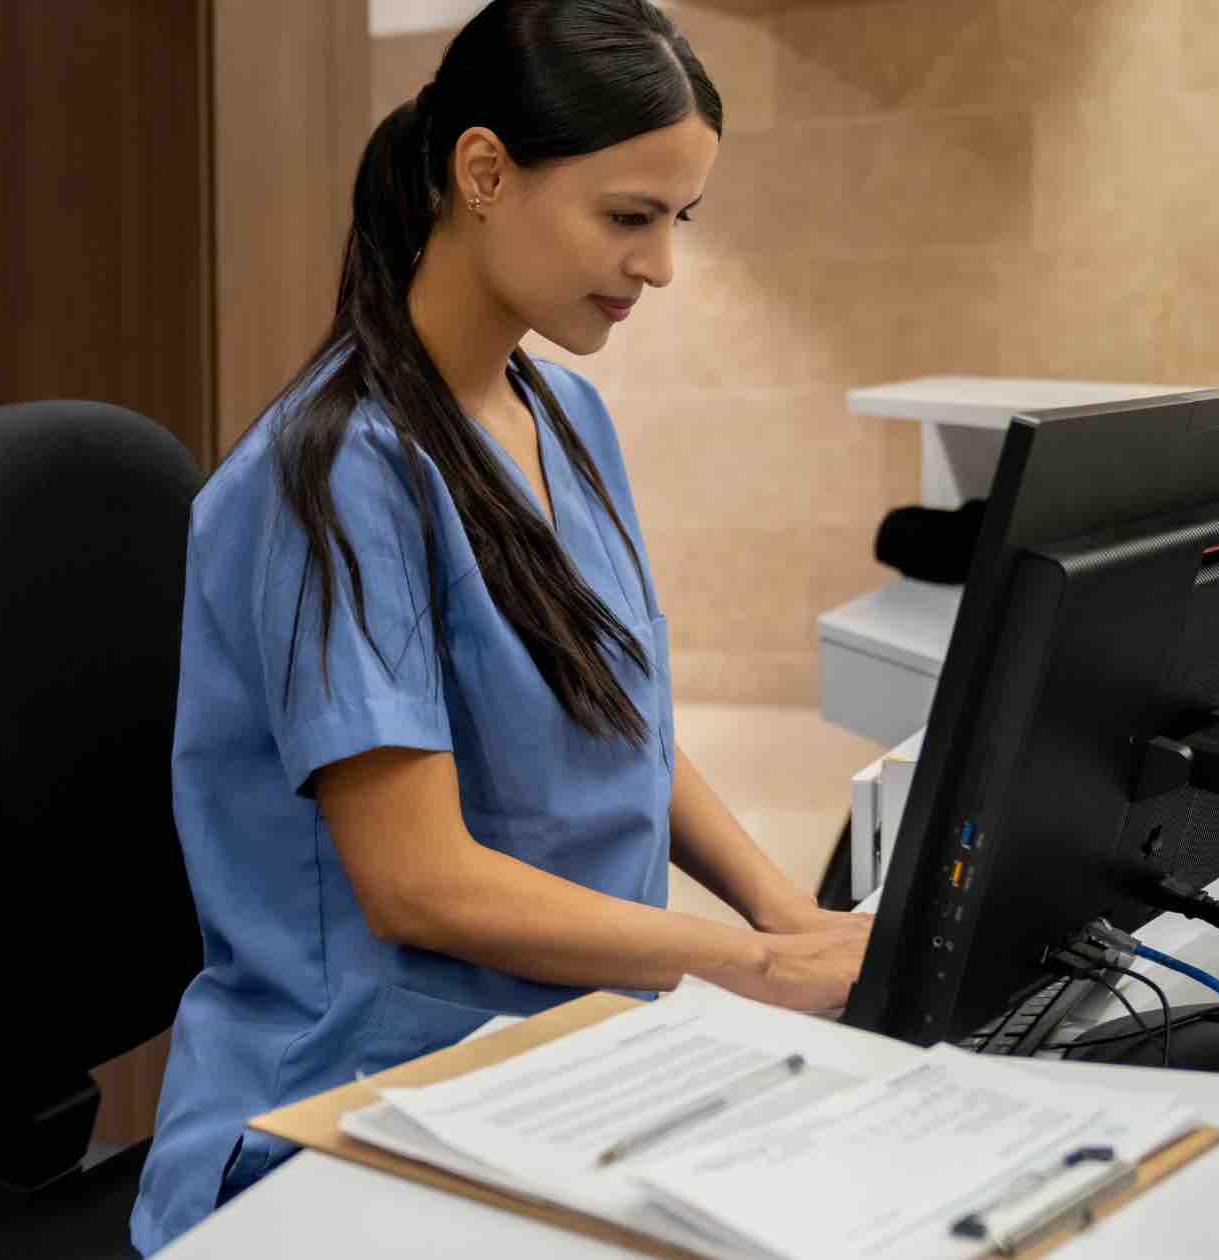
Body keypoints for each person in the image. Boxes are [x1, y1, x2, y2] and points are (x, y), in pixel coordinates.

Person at [130, 1, 871, 1250]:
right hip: (351, 1102)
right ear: (482, 173)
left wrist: (783, 916)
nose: (659, 266)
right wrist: (743, 968)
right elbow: (417, 884)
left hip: (572, 1054)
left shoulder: (567, 418)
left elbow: (616, 725)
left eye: (677, 221)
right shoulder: (332, 476)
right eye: (627, 217)